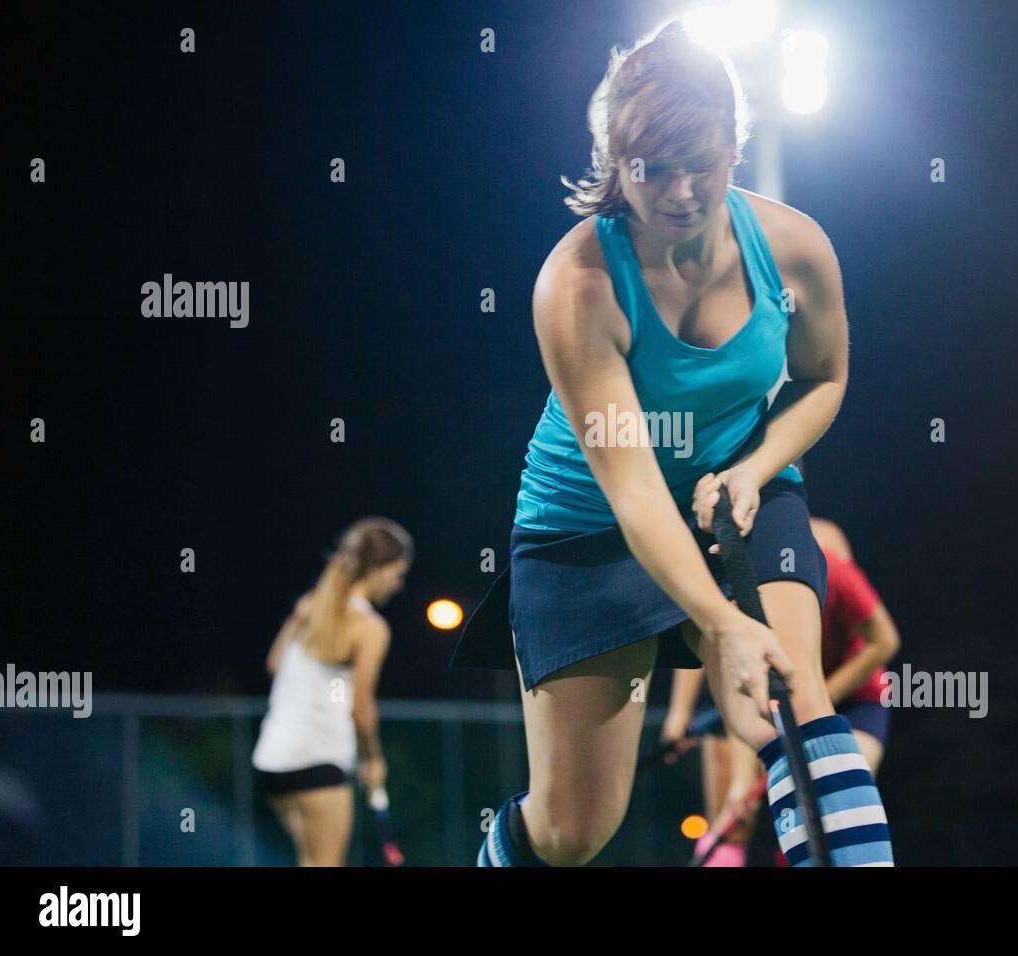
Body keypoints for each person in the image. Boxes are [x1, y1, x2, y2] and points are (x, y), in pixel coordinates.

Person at [452, 19, 893, 868]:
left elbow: (823, 380)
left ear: (737, 144)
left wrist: (756, 468)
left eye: (704, 162)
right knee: (573, 831)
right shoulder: (576, 286)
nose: (682, 191)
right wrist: (719, 623)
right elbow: (634, 492)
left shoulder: (797, 249)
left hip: (744, 488)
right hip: (590, 525)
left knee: (792, 703)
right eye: (653, 169)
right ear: (617, 162)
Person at [663, 515, 901, 865]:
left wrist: (821, 697)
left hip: (856, 698)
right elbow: (746, 690)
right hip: (785, 694)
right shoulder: (737, 592)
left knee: (823, 804)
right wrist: (742, 781)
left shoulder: (833, 569)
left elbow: (885, 641)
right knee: (737, 804)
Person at [252, 517, 412, 866]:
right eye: (397, 573)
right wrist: (373, 759)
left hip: (272, 763)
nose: (399, 584)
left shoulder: (313, 607)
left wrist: (296, 619)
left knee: (309, 861)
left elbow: (274, 664)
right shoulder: (370, 627)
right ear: (377, 569)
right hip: (317, 760)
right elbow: (361, 706)